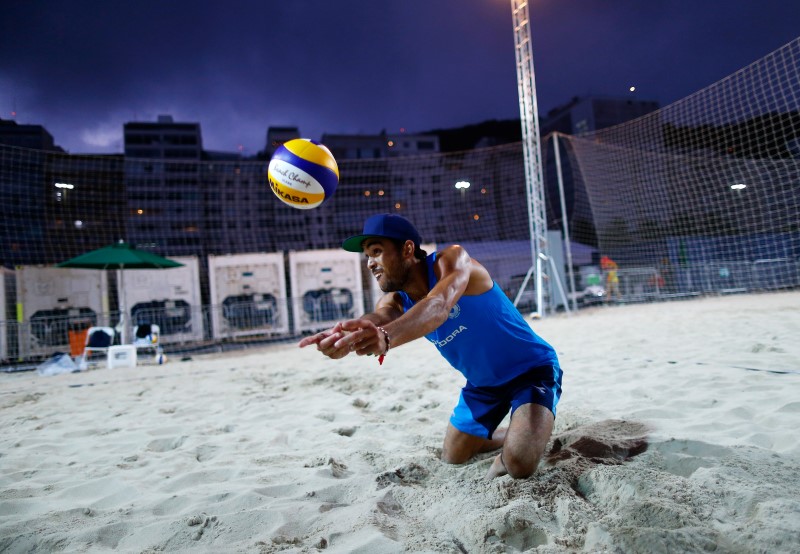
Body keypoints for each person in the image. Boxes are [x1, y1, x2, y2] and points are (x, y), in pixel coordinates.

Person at [298, 214, 563, 480]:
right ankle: (525, 432)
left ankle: (527, 436)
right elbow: (378, 320)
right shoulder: (395, 301)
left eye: (376, 251)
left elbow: (437, 307)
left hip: (531, 370)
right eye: (366, 256)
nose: (369, 263)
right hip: (483, 385)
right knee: (453, 456)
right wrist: (351, 333)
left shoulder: (452, 260)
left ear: (407, 249)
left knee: (518, 464)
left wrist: (385, 336)